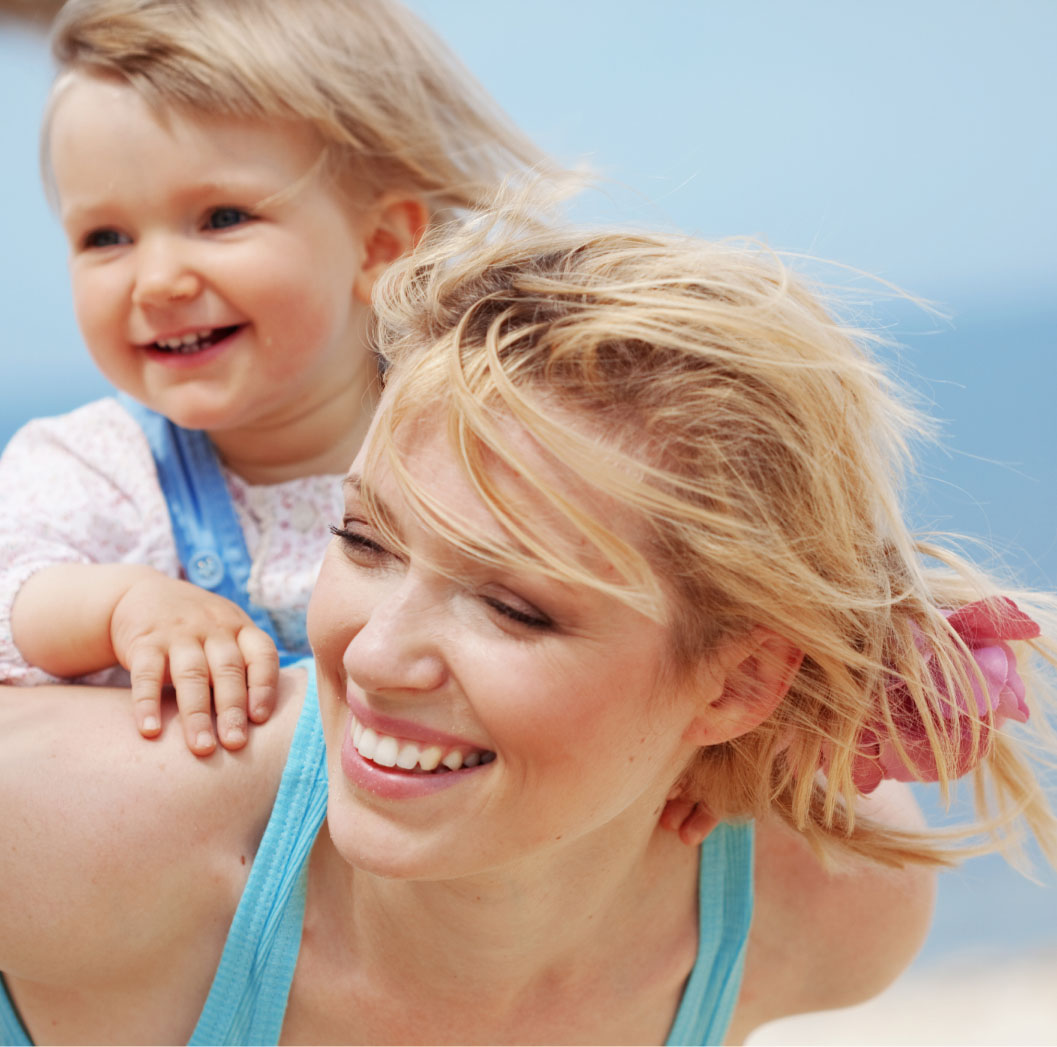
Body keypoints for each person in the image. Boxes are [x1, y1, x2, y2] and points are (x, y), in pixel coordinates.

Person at [2, 219, 1054, 1046]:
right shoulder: (78, 832)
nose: (373, 655)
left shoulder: (821, 911)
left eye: (514, 608)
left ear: (737, 687)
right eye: (365, 541)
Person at [0, 0, 564, 755]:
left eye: (221, 218)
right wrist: (119, 607)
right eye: (106, 237)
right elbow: (11, 588)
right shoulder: (98, 468)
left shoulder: (488, 450)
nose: (158, 279)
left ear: (379, 244)